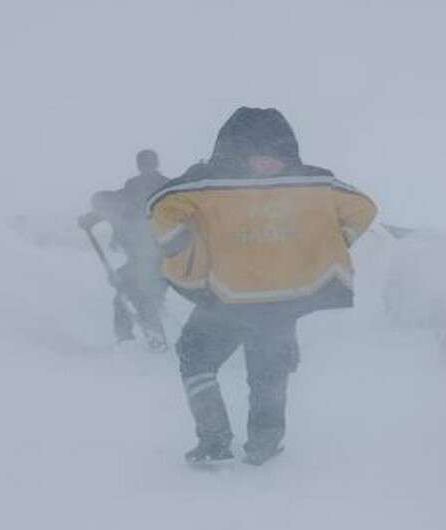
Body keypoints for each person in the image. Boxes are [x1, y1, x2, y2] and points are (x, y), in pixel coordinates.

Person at [148, 107, 377, 465]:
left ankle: (253, 443)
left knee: (255, 370)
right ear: (238, 152)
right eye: (259, 154)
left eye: (277, 155)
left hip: (244, 299)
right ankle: (221, 439)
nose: (269, 163)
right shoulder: (311, 185)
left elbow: (161, 206)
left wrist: (180, 252)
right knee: (213, 360)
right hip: (248, 298)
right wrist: (330, 241)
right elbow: (362, 210)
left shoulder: (206, 185)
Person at [78, 151, 171, 349]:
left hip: (157, 257)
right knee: (133, 292)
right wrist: (92, 217)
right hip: (163, 257)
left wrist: (92, 217)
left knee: (137, 292)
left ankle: (139, 339)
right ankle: (130, 339)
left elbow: (117, 204)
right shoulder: (167, 186)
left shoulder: (136, 187)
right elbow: (116, 205)